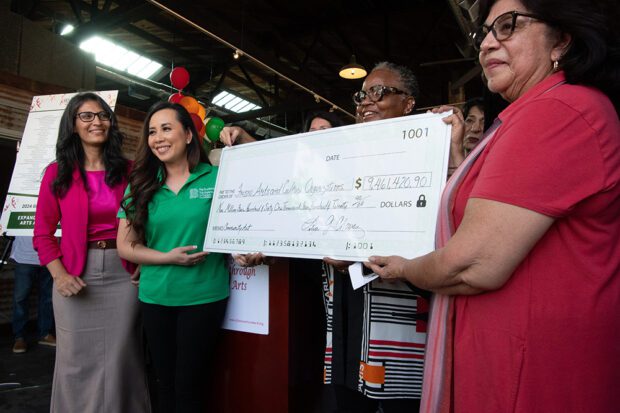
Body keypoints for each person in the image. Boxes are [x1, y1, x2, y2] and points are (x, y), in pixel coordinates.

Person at [365, 1, 620, 412]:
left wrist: (404, 268)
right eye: (483, 33)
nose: (485, 44)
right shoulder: (527, 116)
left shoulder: (558, 112)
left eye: (507, 26)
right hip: (510, 362)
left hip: (533, 378)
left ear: (562, 40)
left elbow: (472, 263)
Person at [33, 92, 150, 412]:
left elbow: (147, 219)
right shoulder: (55, 173)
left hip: (123, 274)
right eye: (86, 116)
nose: (96, 121)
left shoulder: (130, 170)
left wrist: (143, 258)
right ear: (72, 125)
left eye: (102, 115)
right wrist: (59, 275)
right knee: (74, 361)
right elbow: (42, 234)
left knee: (121, 358)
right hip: (74, 274)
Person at [117, 102, 229, 413]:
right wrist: (167, 257)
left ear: (189, 135)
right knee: (163, 383)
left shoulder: (217, 178)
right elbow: (126, 246)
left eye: (167, 128)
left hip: (204, 296)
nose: (158, 138)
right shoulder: (140, 184)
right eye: (152, 132)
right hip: (156, 297)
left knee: (191, 386)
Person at [11, 236, 55, 353]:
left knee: (48, 297)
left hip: (50, 254)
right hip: (24, 256)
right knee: (20, 298)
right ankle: (19, 337)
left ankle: (45, 333)